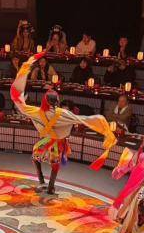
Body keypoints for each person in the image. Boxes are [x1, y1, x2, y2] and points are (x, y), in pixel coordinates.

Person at [11, 54, 117, 195]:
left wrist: (24, 71)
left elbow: (19, 101)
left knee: (36, 157)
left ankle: (43, 181)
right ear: (57, 101)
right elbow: (86, 119)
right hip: (56, 141)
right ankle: (50, 185)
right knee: (53, 164)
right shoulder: (64, 113)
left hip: (49, 140)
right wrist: (106, 131)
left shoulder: (36, 112)